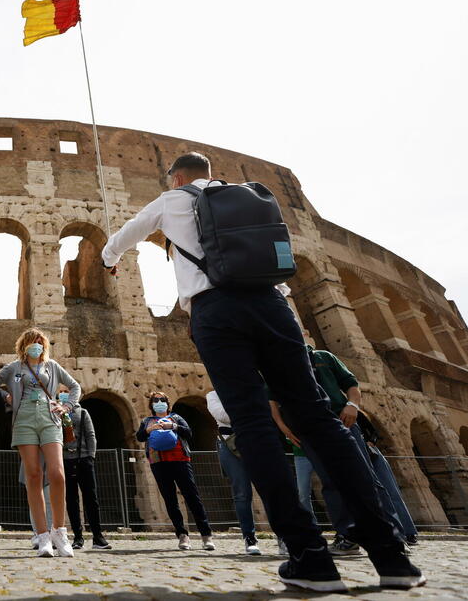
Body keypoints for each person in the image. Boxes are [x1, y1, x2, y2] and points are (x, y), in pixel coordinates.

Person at [102, 151, 423, 591]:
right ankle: (392, 556)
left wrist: (108, 259)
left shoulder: (171, 201)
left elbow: (121, 239)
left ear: (176, 177)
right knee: (318, 420)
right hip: (274, 305)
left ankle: (310, 559)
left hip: (216, 312)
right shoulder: (249, 197)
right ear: (212, 175)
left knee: (251, 424)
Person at [269, 346, 405, 555]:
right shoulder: (279, 362)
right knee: (330, 482)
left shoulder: (323, 357)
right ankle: (347, 536)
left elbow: (351, 384)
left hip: (342, 421)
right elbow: (273, 400)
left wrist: (352, 405)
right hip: (308, 429)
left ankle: (392, 534)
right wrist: (284, 428)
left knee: (367, 478)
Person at [0, 328, 81, 558]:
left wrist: (67, 406)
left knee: (57, 473)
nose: (36, 345)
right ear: (23, 345)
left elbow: (75, 387)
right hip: (23, 418)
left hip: (49, 416)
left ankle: (60, 531)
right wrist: (6, 397)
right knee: (33, 474)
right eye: (32, 342)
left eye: (39, 342)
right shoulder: (14, 367)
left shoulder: (51, 366)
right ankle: (43, 536)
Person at [137, 391, 214, 551]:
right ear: (151, 404)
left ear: (167, 402)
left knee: (192, 497)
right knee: (170, 500)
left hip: (180, 460)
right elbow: (140, 437)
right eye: (156, 400)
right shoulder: (147, 421)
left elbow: (188, 432)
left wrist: (172, 426)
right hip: (158, 462)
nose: (159, 402)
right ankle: (182, 535)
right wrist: (149, 430)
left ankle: (206, 534)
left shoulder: (176, 417)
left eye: (162, 400)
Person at [206, 389, 262, 555]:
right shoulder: (213, 395)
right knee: (242, 492)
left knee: (269, 490)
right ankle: (249, 536)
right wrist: (247, 410)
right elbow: (223, 416)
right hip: (230, 445)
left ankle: (282, 535)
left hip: (255, 440)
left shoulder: (248, 388)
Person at [358, 413, 418, 545]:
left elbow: (373, 431)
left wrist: (371, 442)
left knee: (391, 492)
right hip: (355, 454)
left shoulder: (353, 411)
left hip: (372, 453)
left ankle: (409, 532)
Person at [63, 401, 111, 550]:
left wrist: (91, 456)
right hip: (66, 460)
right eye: (61, 391)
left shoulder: (82, 412)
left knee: (91, 498)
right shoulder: (56, 412)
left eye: (67, 391)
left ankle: (97, 536)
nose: (64, 394)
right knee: (71, 499)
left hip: (84, 459)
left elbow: (91, 435)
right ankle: (78, 537)